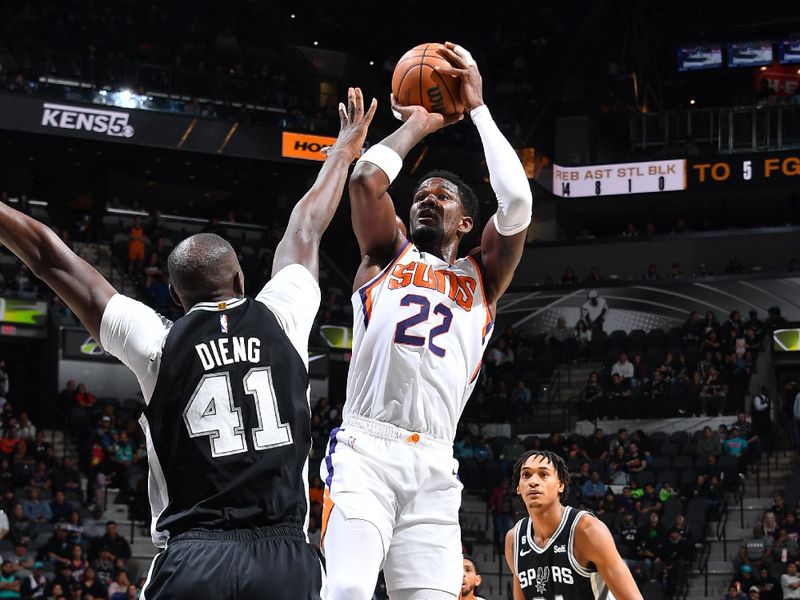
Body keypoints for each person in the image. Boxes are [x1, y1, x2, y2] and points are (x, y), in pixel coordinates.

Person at [0, 87, 376, 599]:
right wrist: (342, 149)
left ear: (174, 296)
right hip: (285, 556)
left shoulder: (158, 342)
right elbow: (307, 225)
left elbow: (52, 258)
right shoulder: (284, 317)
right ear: (242, 279)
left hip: (195, 554)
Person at [322, 44, 532, 600]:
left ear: (466, 221)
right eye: (418, 195)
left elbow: (517, 201)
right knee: (344, 590)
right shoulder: (385, 255)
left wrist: (479, 109)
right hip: (366, 450)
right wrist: (418, 122)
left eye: (439, 196)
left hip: (436, 463)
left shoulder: (482, 276)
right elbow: (367, 178)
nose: (424, 200)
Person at [504, 450, 642, 599]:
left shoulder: (587, 529)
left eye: (544, 474)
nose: (533, 482)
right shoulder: (514, 540)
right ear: (518, 487)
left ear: (560, 485)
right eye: (526, 475)